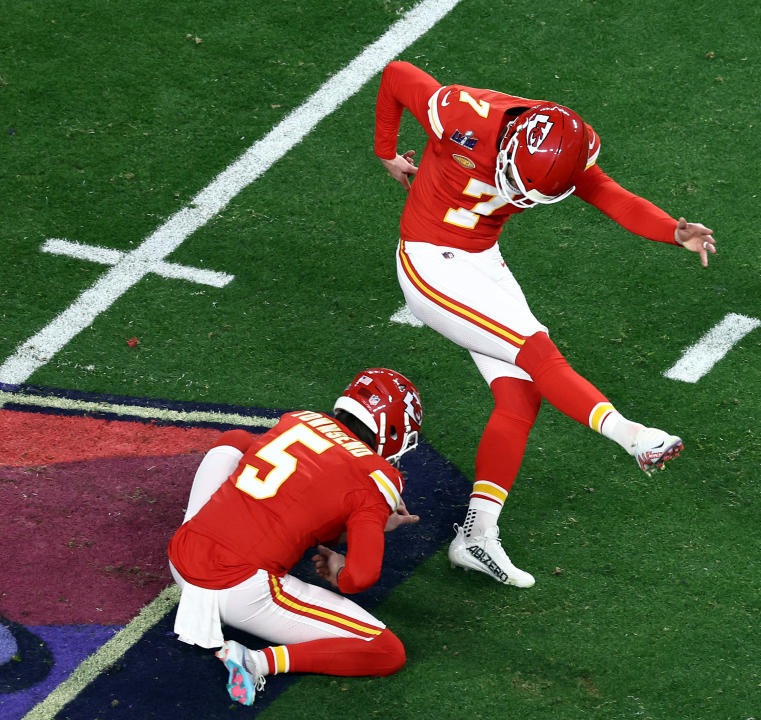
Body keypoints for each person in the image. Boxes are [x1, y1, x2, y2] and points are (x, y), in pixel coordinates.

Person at [373, 61, 717, 589]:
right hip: (429, 261)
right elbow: (397, 74)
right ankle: (633, 437)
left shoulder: (565, 147)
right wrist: (387, 152)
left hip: (479, 259)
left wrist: (673, 231)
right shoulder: (462, 113)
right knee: (536, 353)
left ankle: (476, 536)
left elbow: (607, 194)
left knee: (520, 395)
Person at [167, 368, 423, 706]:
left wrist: (371, 521)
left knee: (237, 441)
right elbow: (360, 576)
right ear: (391, 431)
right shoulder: (376, 478)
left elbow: (306, 492)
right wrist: (340, 570)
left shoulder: (302, 419)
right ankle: (257, 662)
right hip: (237, 587)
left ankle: (203, 521)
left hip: (182, 552)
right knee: (386, 651)